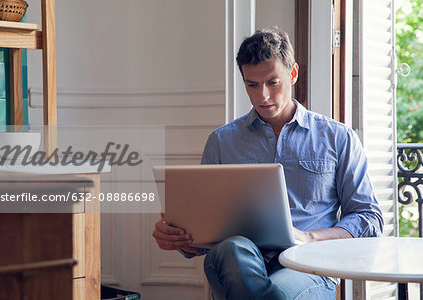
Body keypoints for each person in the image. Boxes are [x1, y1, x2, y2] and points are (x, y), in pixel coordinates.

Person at [152, 27, 383, 300]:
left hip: (308, 266)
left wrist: (310, 238)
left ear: (293, 74)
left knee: (271, 294)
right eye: (252, 85)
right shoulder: (221, 141)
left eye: (273, 82)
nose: (262, 96)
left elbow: (369, 219)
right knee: (233, 249)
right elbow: (204, 234)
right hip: (235, 261)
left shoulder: (337, 137)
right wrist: (179, 238)